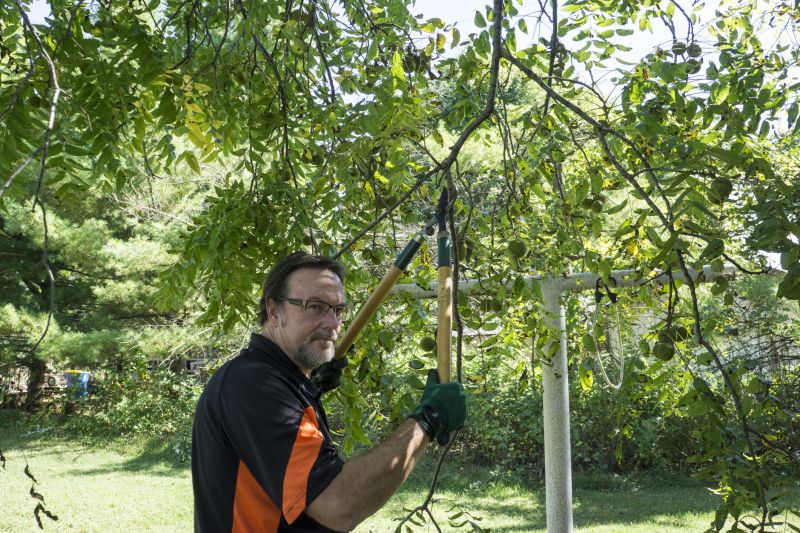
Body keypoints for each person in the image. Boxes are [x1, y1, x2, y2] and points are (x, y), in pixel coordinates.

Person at [192, 252, 467, 532]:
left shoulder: (273, 379)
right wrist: (428, 420)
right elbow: (337, 505)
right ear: (274, 312)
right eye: (315, 307)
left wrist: (310, 387)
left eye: (338, 310)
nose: (333, 324)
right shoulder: (252, 386)